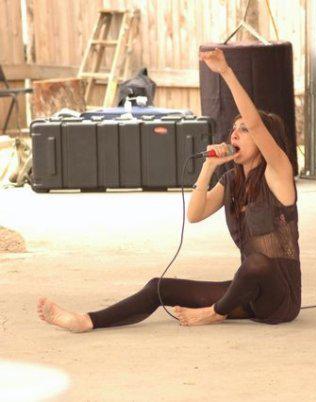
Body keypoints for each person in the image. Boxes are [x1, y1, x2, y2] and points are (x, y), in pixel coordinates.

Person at [37, 48, 301, 332]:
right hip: (248, 293)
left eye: (244, 130)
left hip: (281, 299)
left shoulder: (277, 173)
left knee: (257, 264)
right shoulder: (232, 182)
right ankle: (87, 321)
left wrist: (225, 72)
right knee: (158, 287)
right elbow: (195, 215)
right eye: (234, 128)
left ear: (264, 141)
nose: (234, 133)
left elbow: (257, 124)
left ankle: (214, 313)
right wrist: (208, 168)